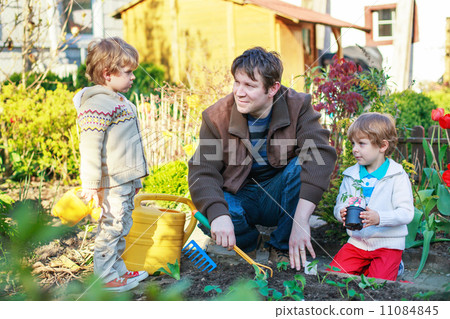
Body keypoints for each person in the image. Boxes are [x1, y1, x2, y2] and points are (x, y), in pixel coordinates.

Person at [188, 47, 337, 271]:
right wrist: (218, 215)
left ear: (273, 88)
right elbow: (202, 171)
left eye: (249, 85)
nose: (239, 92)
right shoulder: (216, 116)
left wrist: (301, 220)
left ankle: (282, 246)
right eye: (237, 82)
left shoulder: (298, 106)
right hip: (240, 195)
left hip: (278, 196)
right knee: (209, 211)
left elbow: (320, 155)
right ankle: (248, 244)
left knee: (303, 164)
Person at [73, 37, 149, 292]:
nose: (133, 77)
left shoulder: (119, 101)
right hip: (111, 180)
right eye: (128, 72)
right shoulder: (96, 104)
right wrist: (92, 185)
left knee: (122, 225)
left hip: (124, 180)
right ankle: (103, 277)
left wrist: (136, 180)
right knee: (111, 226)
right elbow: (90, 147)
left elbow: (131, 146)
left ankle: (117, 270)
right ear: (107, 74)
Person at [330, 112, 414, 281]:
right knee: (334, 277)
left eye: (361, 143)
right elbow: (339, 205)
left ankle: (394, 266)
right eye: (353, 143)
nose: (354, 149)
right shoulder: (351, 175)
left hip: (388, 245)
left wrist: (379, 218)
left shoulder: (396, 175)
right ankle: (371, 267)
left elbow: (406, 213)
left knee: (377, 283)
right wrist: (341, 213)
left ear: (382, 146)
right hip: (358, 243)